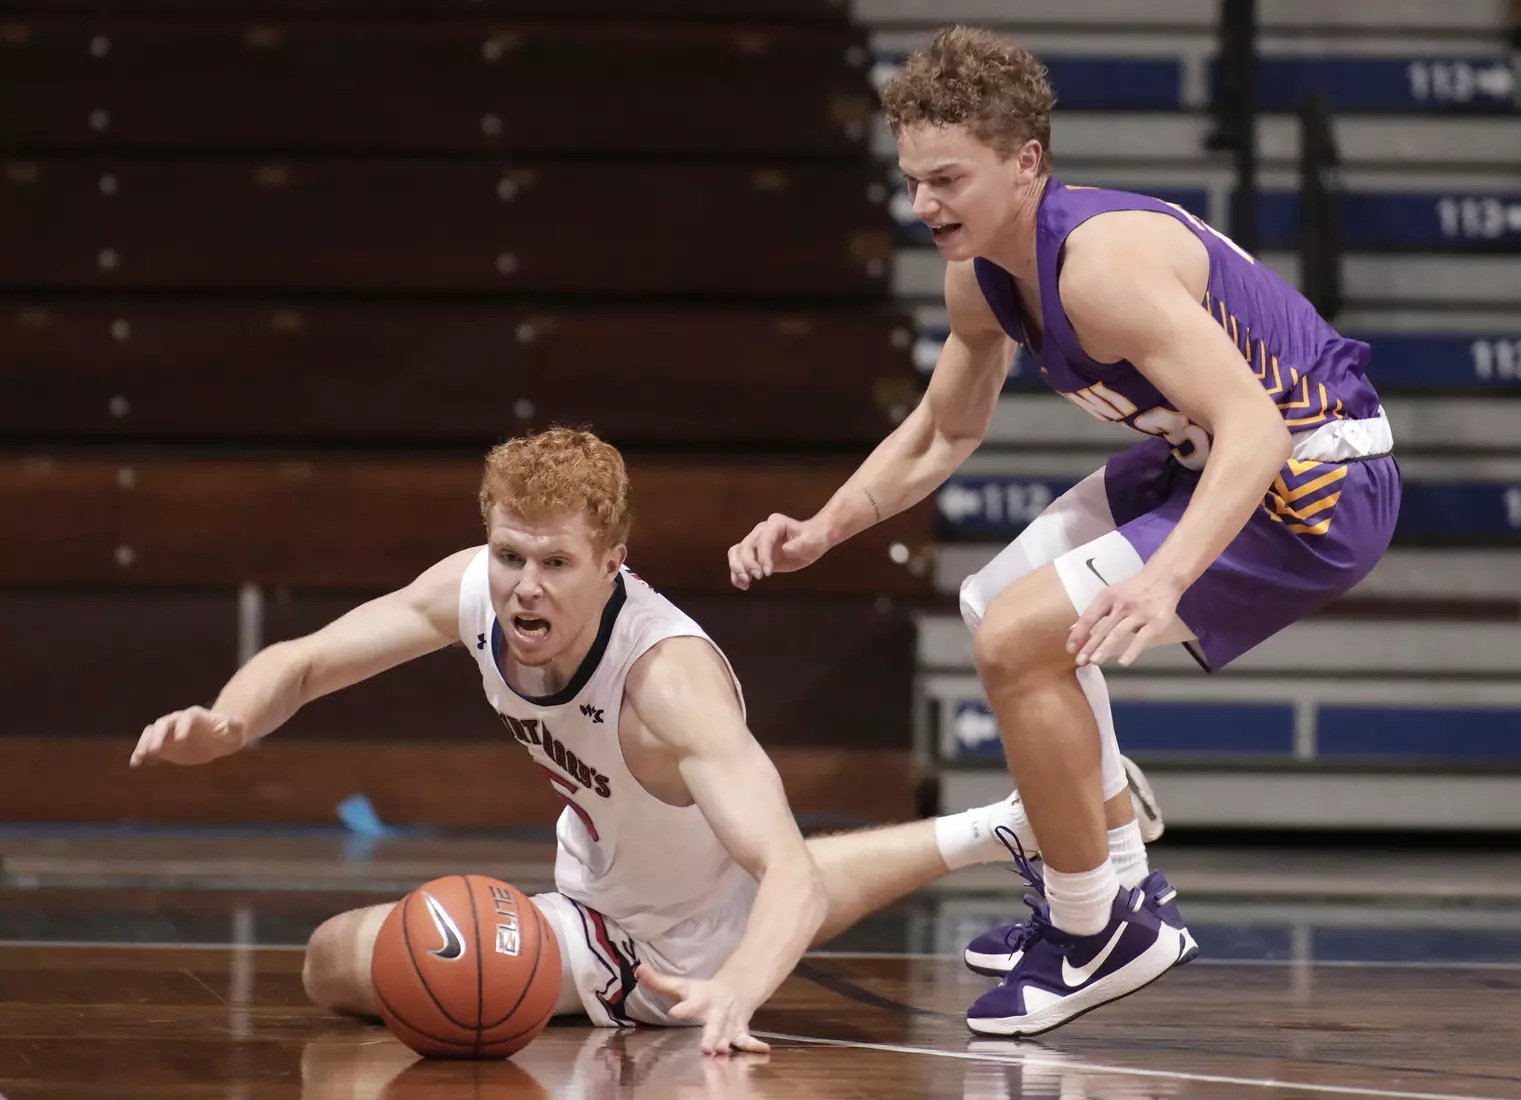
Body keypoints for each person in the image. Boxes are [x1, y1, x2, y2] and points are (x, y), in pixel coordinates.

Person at [727, 26, 1399, 1038]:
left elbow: (1258, 426)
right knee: (991, 603)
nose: (925, 205)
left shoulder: (1098, 267)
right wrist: (828, 525)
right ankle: (1117, 883)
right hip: (1207, 449)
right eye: (913, 180)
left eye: (948, 178)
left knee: (1016, 639)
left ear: (1026, 161)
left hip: (1315, 474)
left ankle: (1094, 930)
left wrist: (1166, 577)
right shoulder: (981, 274)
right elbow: (945, 428)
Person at [130, 426, 1092, 1055]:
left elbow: (791, 874)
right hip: (613, 884)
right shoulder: (477, 588)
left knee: (366, 973)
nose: (523, 586)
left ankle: (983, 840)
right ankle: (1011, 825)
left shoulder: (666, 685)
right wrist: (227, 723)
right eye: (510, 555)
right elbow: (302, 660)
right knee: (335, 962)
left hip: (652, 946)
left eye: (555, 563)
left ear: (613, 562)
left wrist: (736, 999)